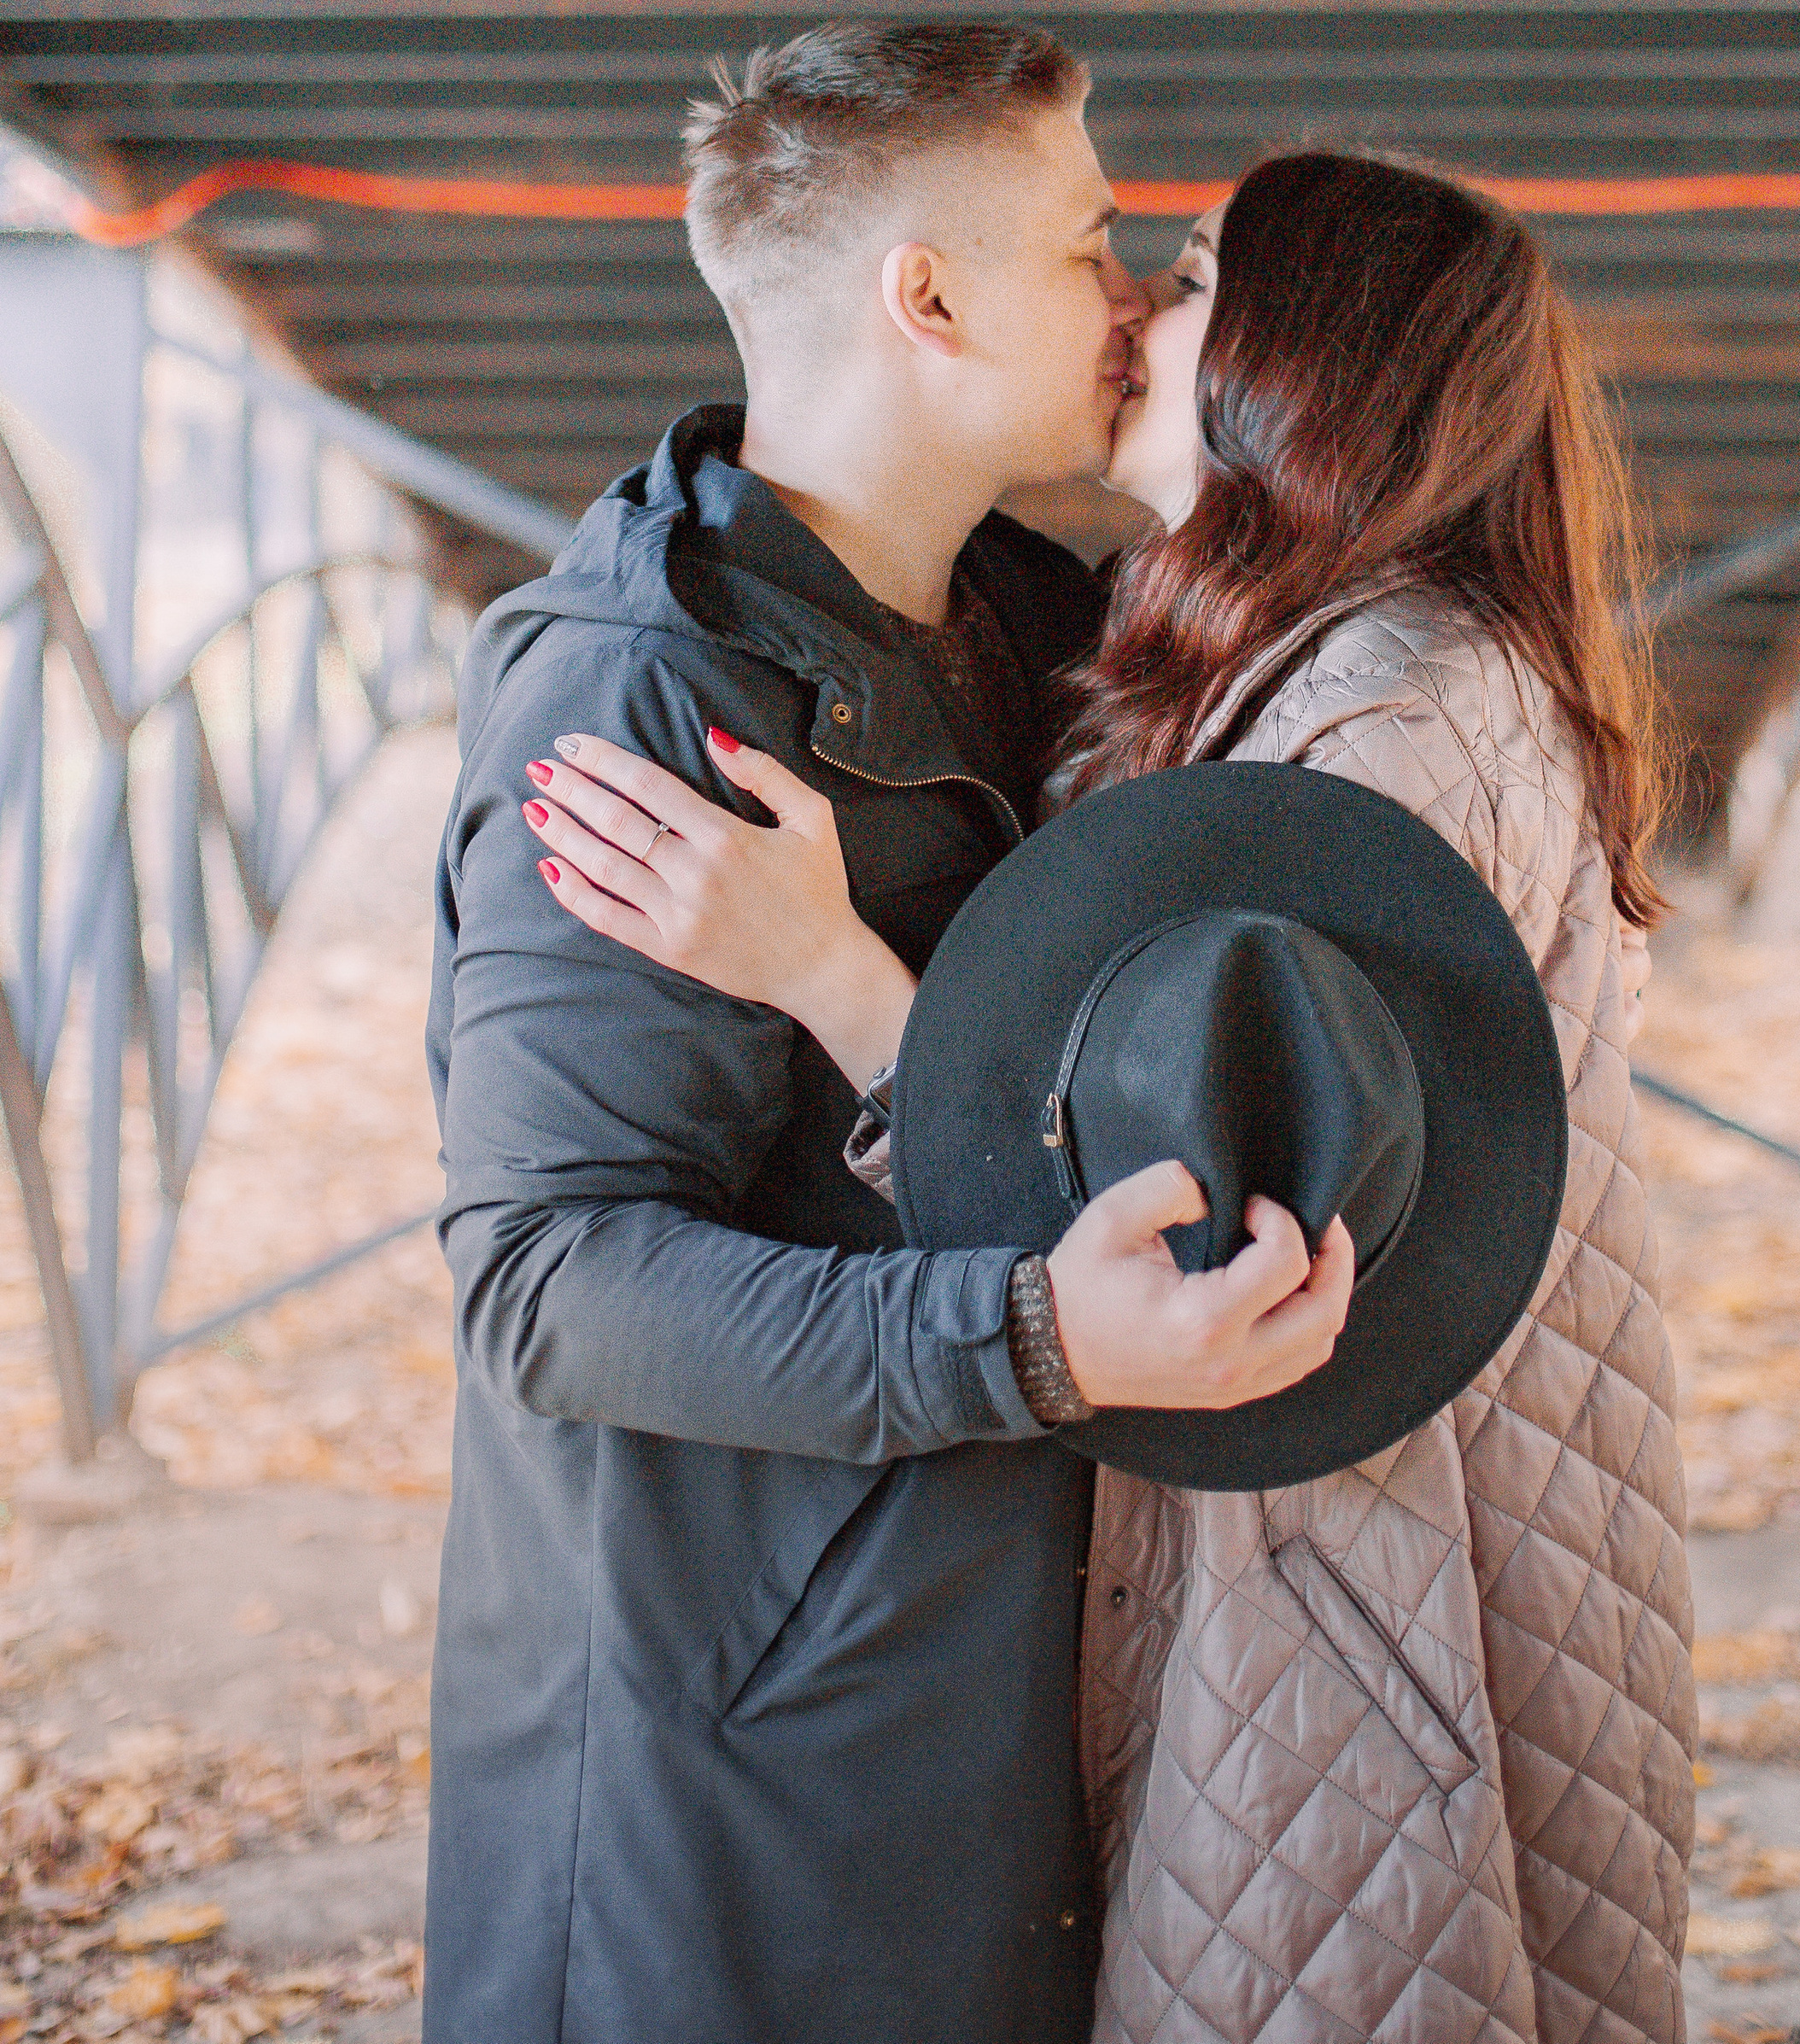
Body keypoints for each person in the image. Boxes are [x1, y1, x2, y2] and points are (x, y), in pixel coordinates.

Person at [541, 146, 1697, 2044]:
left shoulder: (1386, 715)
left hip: (1355, 1626)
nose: (1137, 316)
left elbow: (1202, 1230)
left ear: (1308, 359)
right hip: (1345, 1582)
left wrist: (823, 970)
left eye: (1189, 274)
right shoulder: (1315, 666)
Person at [424, 25, 1353, 2044]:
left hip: (973, 1668)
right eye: (1090, 245)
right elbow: (544, 1280)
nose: (1131, 302)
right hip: (735, 1745)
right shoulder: (642, 705)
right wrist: (1022, 1339)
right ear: (923, 297)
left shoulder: (1022, 621)